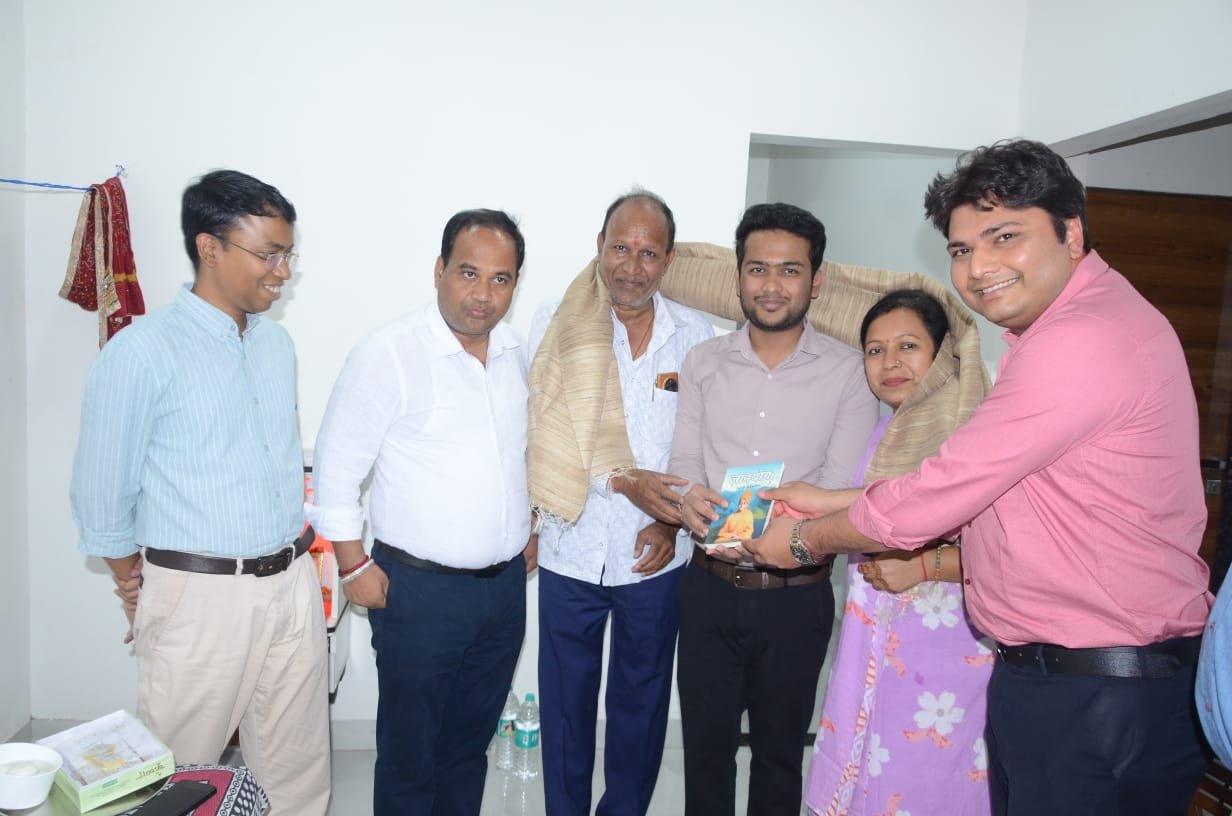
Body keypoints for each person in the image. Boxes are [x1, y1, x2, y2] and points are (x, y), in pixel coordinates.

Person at [749, 139, 1212, 816]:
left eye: (1005, 237)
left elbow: (939, 493)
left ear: (1071, 232)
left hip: (1099, 692)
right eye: (962, 249)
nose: (979, 267)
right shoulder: (1071, 328)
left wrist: (802, 540)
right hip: (1072, 680)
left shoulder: (1082, 341)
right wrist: (827, 499)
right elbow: (980, 489)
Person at [70, 170, 330, 815]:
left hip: (291, 582)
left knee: (296, 776)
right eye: (268, 253)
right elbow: (101, 495)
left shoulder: (275, 345)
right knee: (180, 781)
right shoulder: (142, 352)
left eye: (288, 254)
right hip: (200, 596)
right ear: (209, 247)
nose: (282, 271)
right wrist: (135, 586)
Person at [310, 210, 533, 816]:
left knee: (468, 748)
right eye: (468, 272)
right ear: (439, 270)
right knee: (411, 755)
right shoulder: (390, 353)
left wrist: (529, 527)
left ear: (515, 284)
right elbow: (335, 471)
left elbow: (517, 455)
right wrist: (352, 566)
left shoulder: (515, 352)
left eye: (500, 279)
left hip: (503, 592)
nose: (482, 293)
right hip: (418, 592)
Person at [671, 202, 879, 816]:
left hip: (796, 597)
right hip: (708, 590)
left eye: (790, 270)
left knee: (779, 757)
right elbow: (685, 461)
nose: (771, 285)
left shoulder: (849, 372)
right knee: (704, 754)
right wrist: (689, 499)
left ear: (816, 281)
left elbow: (840, 485)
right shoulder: (703, 362)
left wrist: (781, 533)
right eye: (757, 268)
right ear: (738, 276)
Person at [527, 191, 714, 816]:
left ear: (668, 260)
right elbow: (546, 433)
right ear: (599, 248)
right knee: (565, 704)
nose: (632, 266)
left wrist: (671, 523)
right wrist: (617, 482)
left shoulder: (695, 336)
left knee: (642, 702)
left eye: (649, 253)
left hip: (655, 556)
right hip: (570, 545)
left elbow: (703, 443)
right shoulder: (557, 322)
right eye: (621, 248)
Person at [804, 289, 990, 816]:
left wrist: (925, 566)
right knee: (871, 768)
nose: (890, 363)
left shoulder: (968, 428)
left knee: (929, 776)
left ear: (942, 355)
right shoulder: (886, 427)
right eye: (875, 350)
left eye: (908, 346)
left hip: (947, 647)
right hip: (876, 634)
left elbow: (1004, 550)